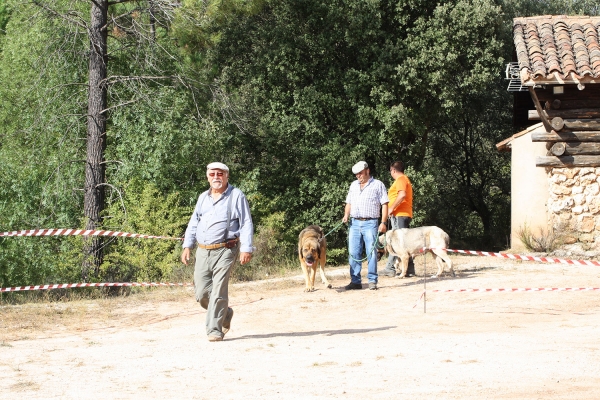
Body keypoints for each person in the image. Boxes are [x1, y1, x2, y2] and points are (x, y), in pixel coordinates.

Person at [181, 162, 254, 342]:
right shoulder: (202, 198)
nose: (216, 177)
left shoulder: (236, 196)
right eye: (212, 174)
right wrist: (187, 245)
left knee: (219, 289)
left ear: (226, 176)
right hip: (203, 251)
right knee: (201, 294)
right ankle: (225, 313)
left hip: (226, 249)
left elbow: (246, 222)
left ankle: (214, 330)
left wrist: (246, 248)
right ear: (207, 176)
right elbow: (193, 222)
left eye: (220, 174)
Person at [342, 161, 389, 290]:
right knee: (353, 252)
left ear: (367, 171)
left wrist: (383, 222)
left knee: (371, 252)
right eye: (356, 174)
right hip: (354, 223)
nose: (358, 176)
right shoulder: (353, 185)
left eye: (360, 173)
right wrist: (346, 215)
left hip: (371, 222)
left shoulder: (378, 185)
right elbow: (349, 202)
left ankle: (372, 281)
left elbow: (385, 204)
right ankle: (355, 281)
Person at [380, 161, 415, 277]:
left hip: (400, 214)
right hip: (402, 214)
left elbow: (402, 195)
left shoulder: (400, 180)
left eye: (390, 171)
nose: (391, 173)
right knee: (403, 243)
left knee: (397, 243)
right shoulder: (405, 179)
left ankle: (390, 268)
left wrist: (391, 208)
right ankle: (409, 270)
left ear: (393, 170)